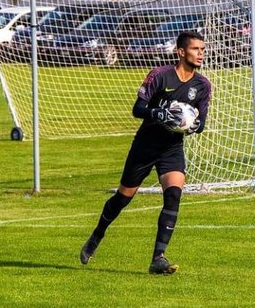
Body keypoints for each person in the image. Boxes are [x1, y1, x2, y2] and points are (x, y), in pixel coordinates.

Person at [80, 31, 211, 275]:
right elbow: (137, 108)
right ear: (181, 52)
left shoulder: (202, 85)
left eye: (203, 49)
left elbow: (201, 123)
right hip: (145, 146)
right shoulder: (160, 76)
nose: (201, 53)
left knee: (173, 194)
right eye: (196, 49)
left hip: (172, 148)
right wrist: (157, 113)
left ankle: (158, 258)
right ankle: (97, 235)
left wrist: (193, 125)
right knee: (123, 198)